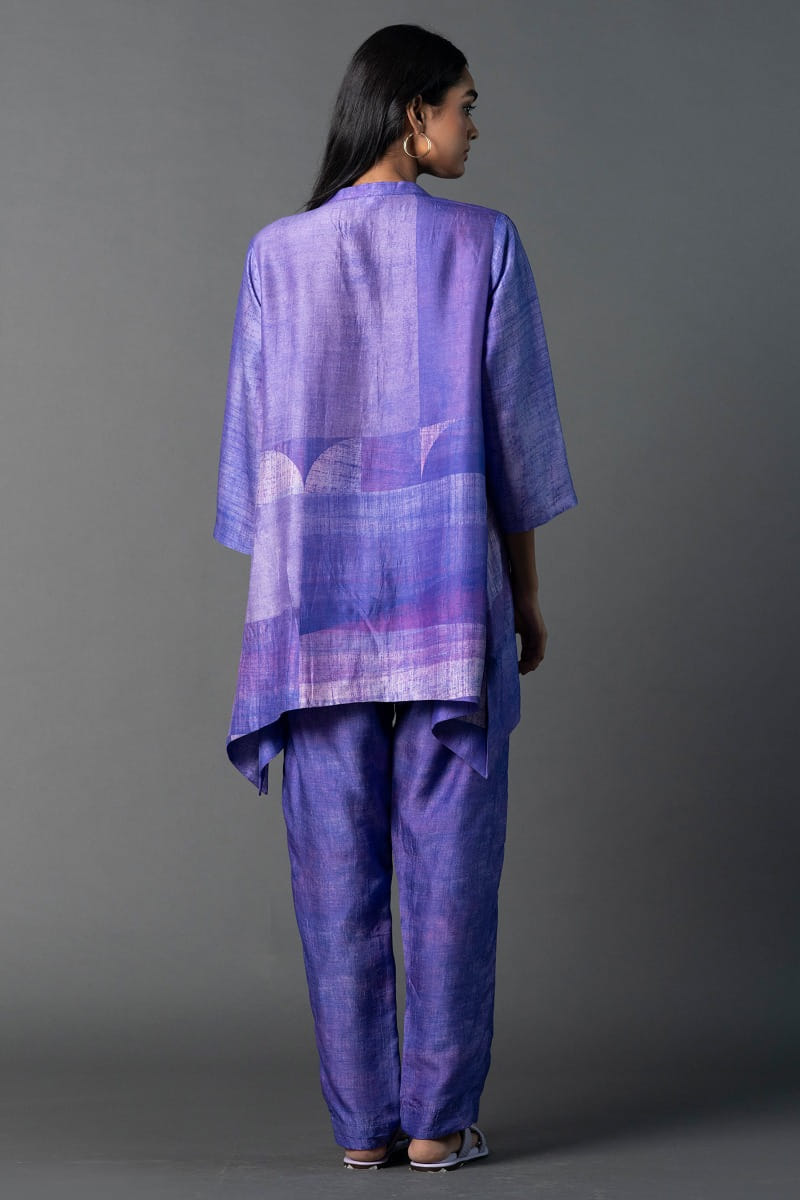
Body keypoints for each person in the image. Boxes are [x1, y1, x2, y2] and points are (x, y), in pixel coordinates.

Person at [213, 23, 578, 1173]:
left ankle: (360, 1131)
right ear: (413, 113)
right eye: (464, 104)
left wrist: (310, 568)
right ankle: (434, 1124)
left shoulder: (276, 255)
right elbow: (515, 452)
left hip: (311, 618)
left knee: (334, 882)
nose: (473, 126)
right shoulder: (482, 244)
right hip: (446, 608)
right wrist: (525, 598)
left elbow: (253, 481)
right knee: (449, 879)